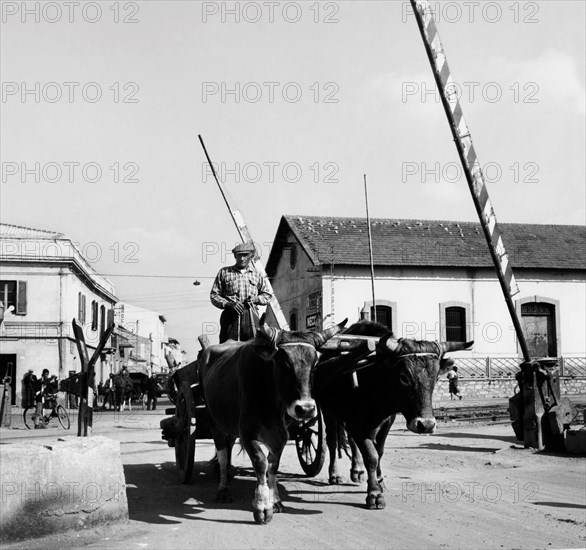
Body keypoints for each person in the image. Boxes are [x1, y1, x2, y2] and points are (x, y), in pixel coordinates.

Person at [210, 242, 273, 343]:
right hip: (230, 316)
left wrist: (256, 299)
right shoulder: (224, 272)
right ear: (235, 256)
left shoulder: (257, 274)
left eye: (245, 255)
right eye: (239, 255)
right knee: (228, 349)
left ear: (250, 257)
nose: (242, 258)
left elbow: (268, 295)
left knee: (253, 348)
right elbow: (214, 295)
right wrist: (228, 304)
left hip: (251, 316)